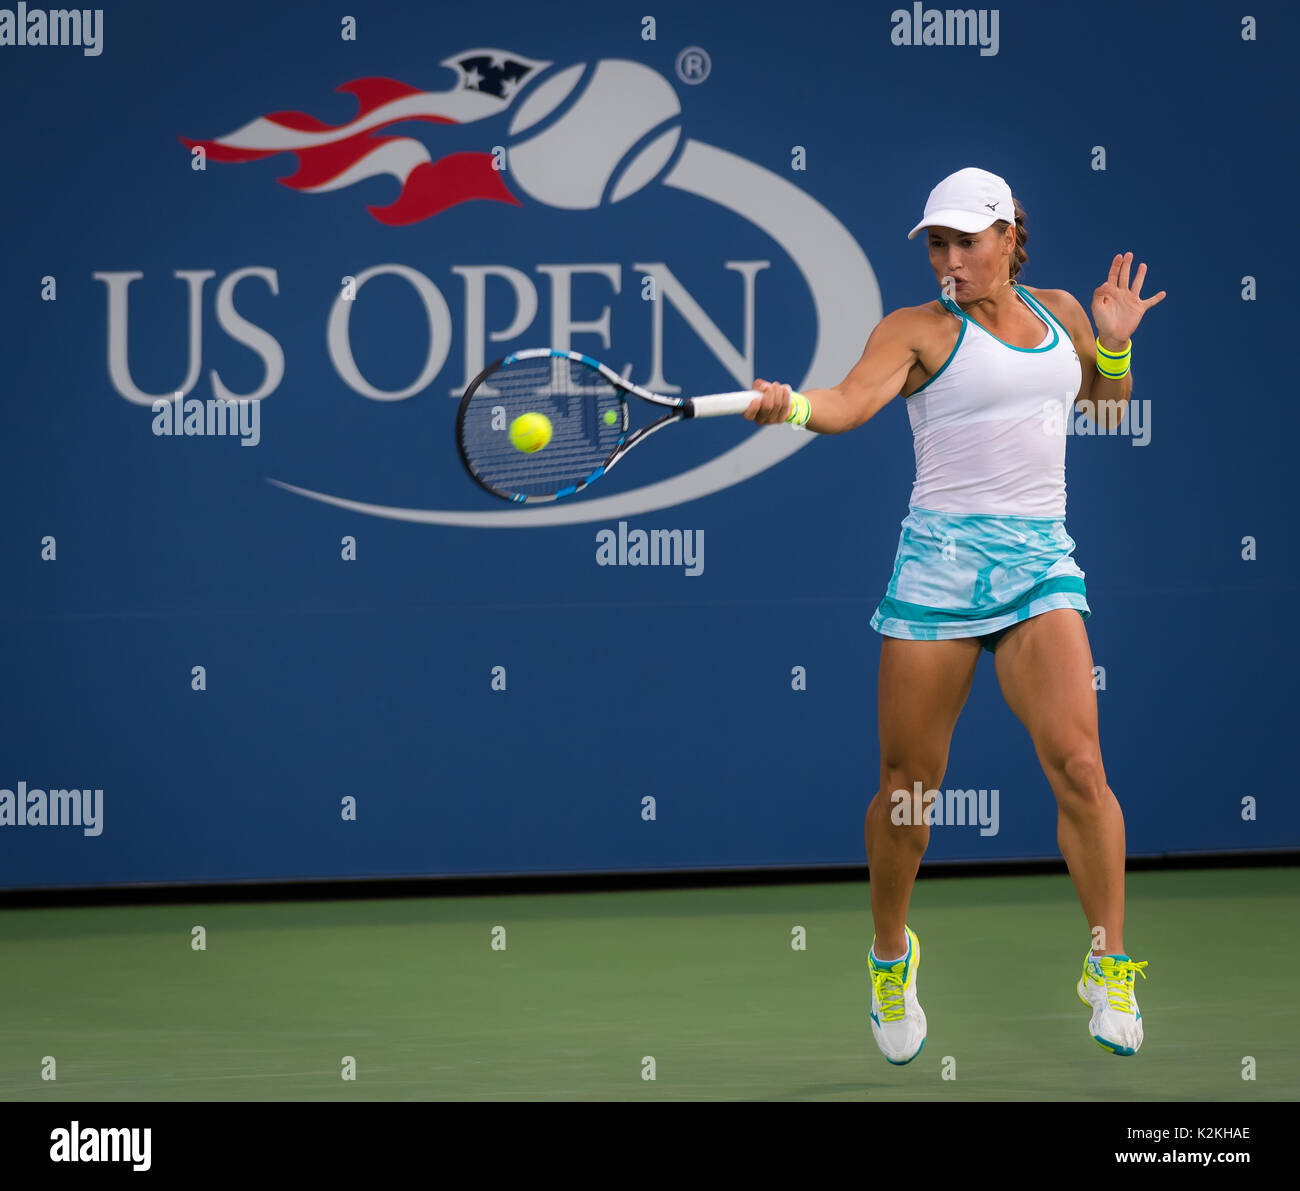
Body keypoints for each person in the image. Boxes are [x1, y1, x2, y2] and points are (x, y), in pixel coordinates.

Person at [744, 166, 1166, 1063]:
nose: (947, 259)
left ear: (1009, 236)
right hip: (936, 575)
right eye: (936, 243)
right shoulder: (917, 331)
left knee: (1081, 764)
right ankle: (891, 954)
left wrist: (1117, 347)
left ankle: (1108, 960)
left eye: (965, 241)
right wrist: (796, 407)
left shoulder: (1061, 311)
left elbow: (1105, 405)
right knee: (908, 791)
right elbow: (853, 404)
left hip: (1039, 567)